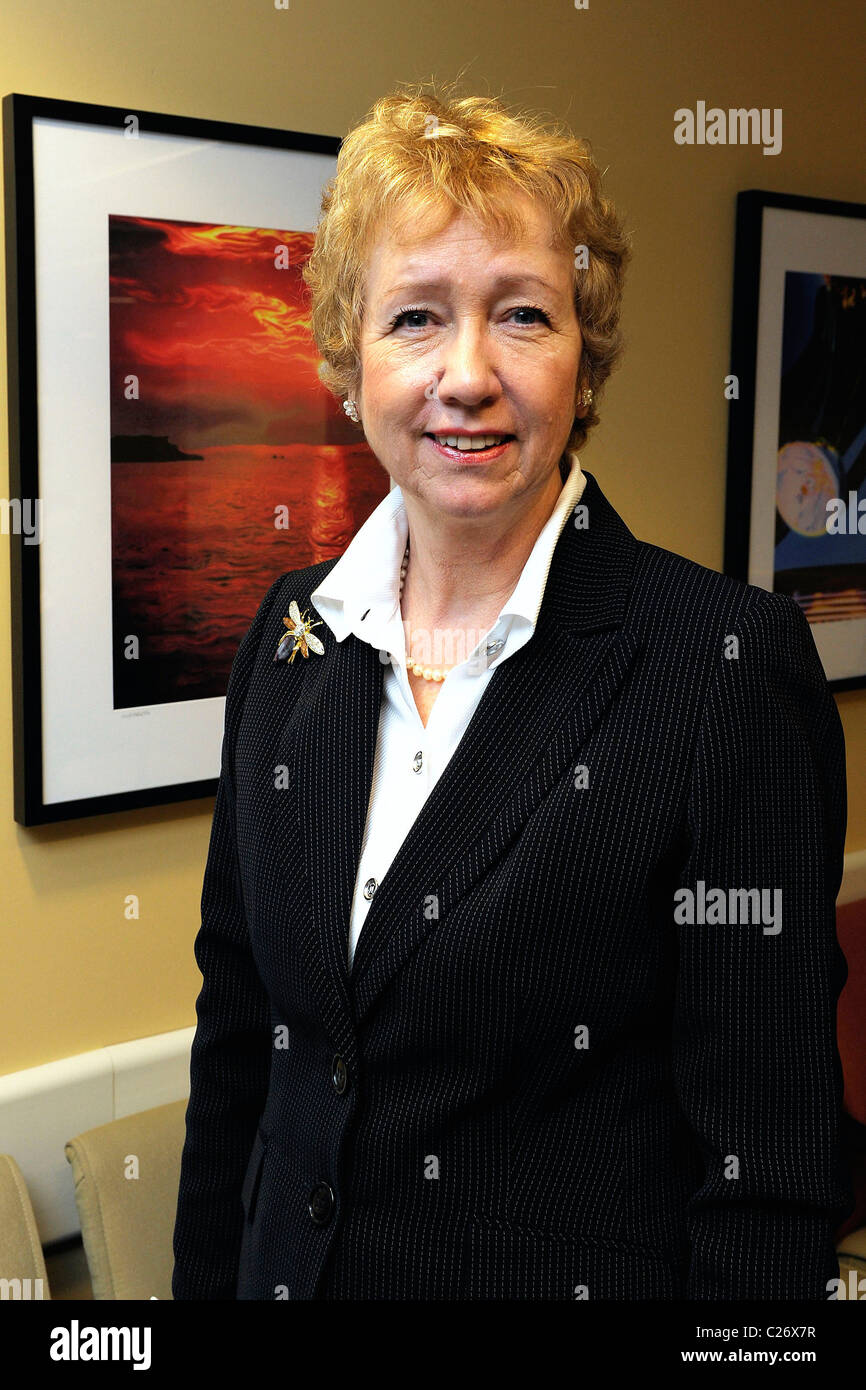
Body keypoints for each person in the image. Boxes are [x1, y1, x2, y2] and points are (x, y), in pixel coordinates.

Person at [172, 81, 853, 1300]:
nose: (467, 374)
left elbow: (770, 1172)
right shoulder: (289, 641)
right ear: (349, 358)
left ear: (581, 356)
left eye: (523, 315)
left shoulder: (720, 671)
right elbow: (240, 1051)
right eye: (416, 318)